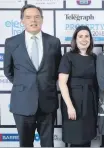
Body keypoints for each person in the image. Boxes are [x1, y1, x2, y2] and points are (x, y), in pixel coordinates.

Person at [3, 4, 62, 147]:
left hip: (47, 102)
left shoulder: (54, 42)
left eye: (37, 17)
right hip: (22, 103)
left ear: (42, 19)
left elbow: (57, 70)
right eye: (28, 17)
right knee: (25, 144)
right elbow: (8, 70)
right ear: (22, 21)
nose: (33, 20)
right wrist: (24, 85)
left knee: (48, 144)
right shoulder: (11, 42)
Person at [58, 26, 98, 147]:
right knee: (76, 139)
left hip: (90, 102)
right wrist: (70, 106)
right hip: (74, 102)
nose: (84, 39)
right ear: (75, 39)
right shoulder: (68, 57)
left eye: (87, 36)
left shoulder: (94, 57)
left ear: (90, 40)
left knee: (87, 138)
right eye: (80, 36)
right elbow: (62, 83)